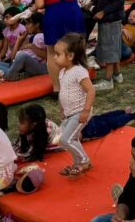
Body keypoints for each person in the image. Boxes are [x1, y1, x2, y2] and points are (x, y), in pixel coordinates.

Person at [32, 0, 85, 93]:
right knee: (76, 48)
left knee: (53, 51)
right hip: (74, 11)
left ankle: (57, 88)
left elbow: (39, 4)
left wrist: (33, 8)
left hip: (56, 13)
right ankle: (79, 83)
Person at [54, 33, 95, 176]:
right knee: (72, 138)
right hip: (69, 113)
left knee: (66, 139)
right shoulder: (62, 72)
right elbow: (63, 91)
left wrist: (86, 111)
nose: (54, 57)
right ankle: (77, 163)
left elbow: (91, 90)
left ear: (70, 56)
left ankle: (85, 161)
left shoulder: (79, 71)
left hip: (79, 112)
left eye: (58, 54)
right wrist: (62, 109)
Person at [92, 0, 127, 90]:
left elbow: (119, 0)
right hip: (107, 18)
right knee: (114, 47)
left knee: (110, 49)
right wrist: (92, 3)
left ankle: (108, 80)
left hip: (111, 19)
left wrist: (103, 11)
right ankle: (117, 74)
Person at [0, 13, 48, 80]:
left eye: (28, 23)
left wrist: (32, 46)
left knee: (21, 55)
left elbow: (47, 55)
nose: (26, 26)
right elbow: (13, 57)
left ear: (37, 24)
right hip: (21, 66)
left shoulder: (41, 36)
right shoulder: (30, 36)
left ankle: (9, 75)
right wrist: (19, 40)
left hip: (40, 67)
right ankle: (18, 75)